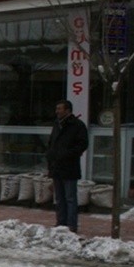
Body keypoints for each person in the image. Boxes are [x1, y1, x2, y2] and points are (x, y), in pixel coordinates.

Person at [46, 98, 88, 232]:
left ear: (68, 110)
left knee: (70, 197)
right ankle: (60, 222)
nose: (57, 111)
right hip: (57, 167)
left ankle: (71, 225)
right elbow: (51, 143)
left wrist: (67, 154)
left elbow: (82, 144)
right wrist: (50, 158)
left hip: (69, 167)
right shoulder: (57, 125)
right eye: (57, 108)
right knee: (59, 198)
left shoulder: (77, 125)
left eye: (60, 109)